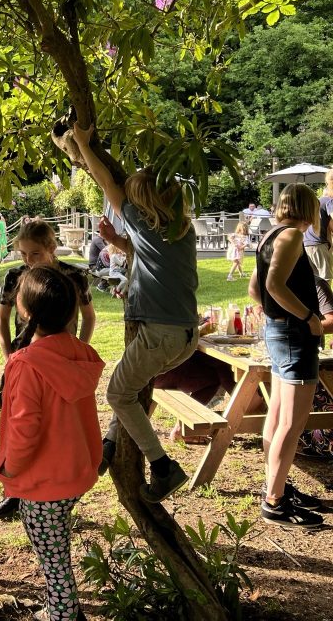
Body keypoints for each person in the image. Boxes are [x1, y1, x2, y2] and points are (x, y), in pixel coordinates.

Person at [73, 123, 199, 503]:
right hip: (185, 335)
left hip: (159, 333)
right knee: (131, 385)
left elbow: (102, 177)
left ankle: (163, 467)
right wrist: (117, 242)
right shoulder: (182, 229)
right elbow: (152, 257)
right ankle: (110, 445)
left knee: (118, 394)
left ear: (140, 204)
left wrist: (82, 143)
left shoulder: (139, 219)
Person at [0, 266, 103, 621]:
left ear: (24, 312)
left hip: (42, 484)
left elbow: (24, 429)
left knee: (54, 564)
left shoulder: (27, 364)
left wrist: (11, 467)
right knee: (56, 554)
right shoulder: (77, 352)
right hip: (75, 472)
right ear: (72, 312)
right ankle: (62, 608)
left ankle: (63, 614)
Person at [0, 219, 95, 519]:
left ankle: (55, 487)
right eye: (22, 254)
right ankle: (14, 490)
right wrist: (7, 354)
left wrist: (80, 350)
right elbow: (1, 319)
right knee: (15, 421)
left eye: (34, 254)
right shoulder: (16, 277)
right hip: (24, 358)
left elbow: (89, 316)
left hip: (60, 358)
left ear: (51, 248)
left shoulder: (73, 277)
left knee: (57, 424)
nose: (27, 260)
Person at [248, 183, 324, 529]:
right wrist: (309, 318)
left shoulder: (269, 235)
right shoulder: (292, 236)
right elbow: (273, 285)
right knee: (292, 424)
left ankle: (275, 486)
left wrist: (275, 316)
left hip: (276, 332)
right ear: (310, 209)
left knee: (277, 416)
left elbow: (254, 288)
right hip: (295, 336)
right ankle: (274, 502)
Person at [296, 275, 333, 460]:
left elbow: (332, 321)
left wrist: (303, 327)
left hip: (311, 354)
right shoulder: (274, 281)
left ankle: (320, 442)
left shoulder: (316, 284)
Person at [302, 168, 333, 282]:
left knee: (315, 280)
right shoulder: (329, 201)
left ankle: (313, 300)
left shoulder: (319, 201)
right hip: (319, 244)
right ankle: (326, 301)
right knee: (326, 279)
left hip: (307, 243)